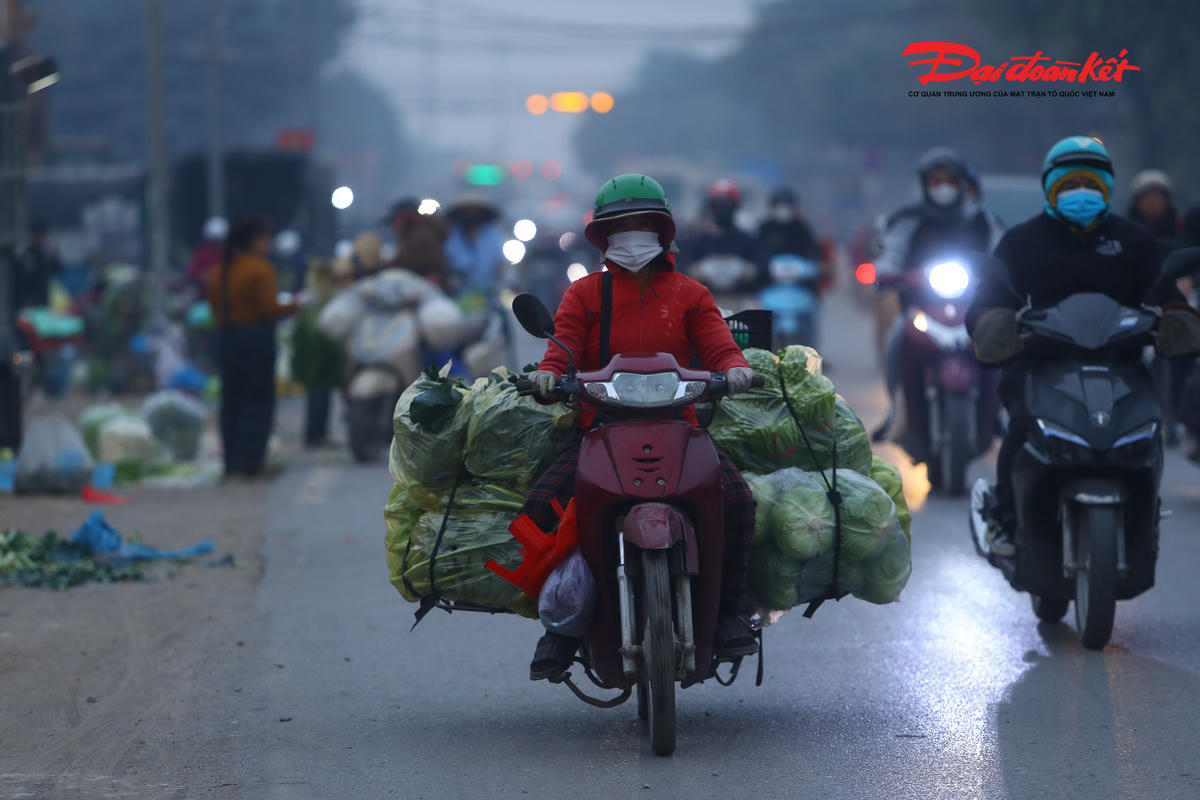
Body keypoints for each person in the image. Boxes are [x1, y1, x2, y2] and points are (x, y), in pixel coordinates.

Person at [523, 174, 759, 680]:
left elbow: (718, 342)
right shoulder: (584, 294)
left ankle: (727, 615)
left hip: (681, 426)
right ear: (604, 238)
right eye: (620, 227)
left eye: (642, 225)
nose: (632, 236)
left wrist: (735, 367)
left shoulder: (691, 294)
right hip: (600, 428)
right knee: (543, 504)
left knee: (737, 500)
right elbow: (562, 344)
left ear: (662, 231)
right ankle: (563, 625)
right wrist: (548, 373)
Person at [966, 136, 1200, 556]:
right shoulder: (1021, 242)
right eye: (1071, 184)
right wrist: (989, 323)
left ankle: (1147, 513)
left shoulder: (1134, 241)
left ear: (1108, 188)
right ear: (1051, 187)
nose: (1082, 194)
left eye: (1092, 184)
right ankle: (1003, 517)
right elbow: (989, 297)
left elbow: (1163, 290)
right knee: (1019, 426)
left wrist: (1177, 315)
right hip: (1040, 364)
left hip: (1121, 363)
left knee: (1149, 430)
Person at [873, 146, 996, 441]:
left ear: (962, 184)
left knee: (1000, 343)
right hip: (920, 309)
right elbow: (891, 255)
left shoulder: (981, 219)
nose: (943, 188)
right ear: (925, 184)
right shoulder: (908, 219)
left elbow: (1002, 252)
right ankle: (897, 413)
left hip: (974, 311)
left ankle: (999, 414)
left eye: (950, 181)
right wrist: (888, 272)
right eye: (936, 181)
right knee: (896, 342)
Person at [206, 217, 298, 479]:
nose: (268, 244)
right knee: (257, 403)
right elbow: (269, 308)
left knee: (231, 402)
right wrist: (296, 304)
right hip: (255, 341)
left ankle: (231, 464)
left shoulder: (220, 271)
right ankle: (250, 465)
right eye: (265, 238)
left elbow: (214, 308)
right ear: (255, 240)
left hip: (227, 340)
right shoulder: (259, 269)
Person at [291, 258, 346, 447]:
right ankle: (315, 435)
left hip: (321, 350)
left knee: (321, 393)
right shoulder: (314, 295)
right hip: (315, 351)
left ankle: (317, 433)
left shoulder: (319, 294)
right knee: (318, 393)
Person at [682, 179, 761, 307]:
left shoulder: (747, 240)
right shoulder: (698, 240)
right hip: (706, 301)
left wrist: (746, 272)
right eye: (718, 206)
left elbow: (761, 269)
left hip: (740, 301)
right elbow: (685, 268)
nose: (722, 210)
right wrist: (700, 272)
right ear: (711, 207)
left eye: (726, 206)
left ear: (735, 207)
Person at [12, 220, 62, 312]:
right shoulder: (24, 255)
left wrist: (55, 257)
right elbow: (19, 282)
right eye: (38, 235)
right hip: (27, 304)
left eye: (43, 236)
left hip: (43, 301)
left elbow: (59, 269)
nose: (41, 239)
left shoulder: (44, 255)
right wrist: (24, 301)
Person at [1128, 169, 1180, 242]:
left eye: (1158, 197)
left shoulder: (1180, 228)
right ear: (1137, 202)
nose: (1153, 203)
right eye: (1146, 196)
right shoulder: (1126, 230)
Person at [186, 217, 228, 297]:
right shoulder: (202, 253)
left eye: (219, 240)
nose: (216, 244)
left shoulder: (229, 254)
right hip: (204, 297)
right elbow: (193, 273)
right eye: (213, 240)